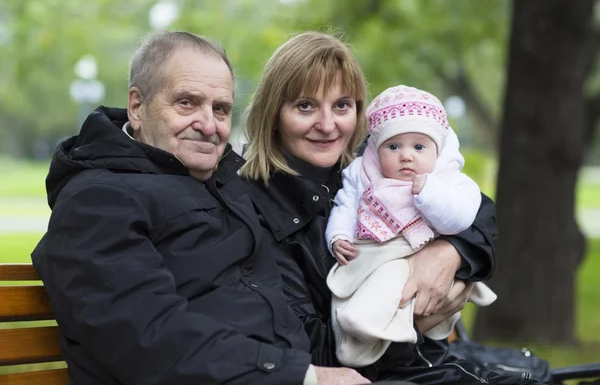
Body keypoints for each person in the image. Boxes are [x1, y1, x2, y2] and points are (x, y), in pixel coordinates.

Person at [30, 31, 373, 385]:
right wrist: (305, 377)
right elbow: (150, 338)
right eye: (187, 103)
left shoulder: (225, 186)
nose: (208, 125)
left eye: (221, 109)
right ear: (136, 107)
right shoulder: (98, 201)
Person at [242, 31, 542, 384]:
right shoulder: (256, 207)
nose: (327, 125)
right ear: (273, 113)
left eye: (342, 106)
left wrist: (451, 253)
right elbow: (310, 353)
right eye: (305, 106)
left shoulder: (370, 163)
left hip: (430, 359)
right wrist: (410, 317)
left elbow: (479, 210)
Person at [325, 84, 497, 367]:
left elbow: (466, 217)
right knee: (384, 278)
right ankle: (368, 325)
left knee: (397, 278)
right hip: (375, 252)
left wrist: (430, 200)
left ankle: (376, 324)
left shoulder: (444, 180)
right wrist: (338, 234)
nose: (406, 156)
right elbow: (345, 205)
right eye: (393, 147)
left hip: (423, 252)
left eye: (419, 147)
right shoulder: (365, 174)